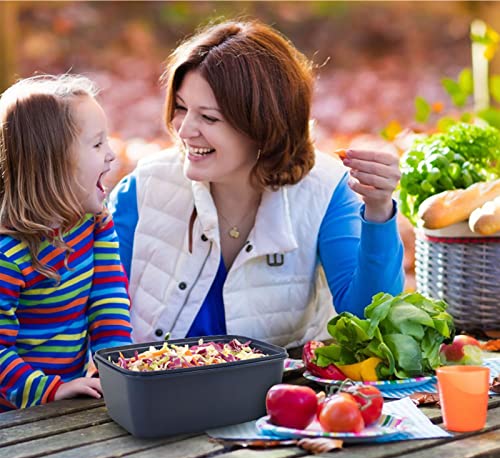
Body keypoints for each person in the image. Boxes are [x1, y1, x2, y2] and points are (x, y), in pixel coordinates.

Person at [109, 20, 404, 348]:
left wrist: (378, 211)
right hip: (154, 391)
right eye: (181, 108)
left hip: (279, 394)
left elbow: (370, 317)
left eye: (209, 118)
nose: (185, 129)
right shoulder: (142, 189)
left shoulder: (326, 190)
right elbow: (95, 311)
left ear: (264, 126)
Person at [0, 75, 132, 412]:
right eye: (97, 144)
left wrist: (115, 367)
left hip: (69, 397)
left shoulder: (94, 222)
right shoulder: (9, 254)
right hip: (14, 414)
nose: (111, 155)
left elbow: (108, 298)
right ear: (53, 162)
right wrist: (50, 390)